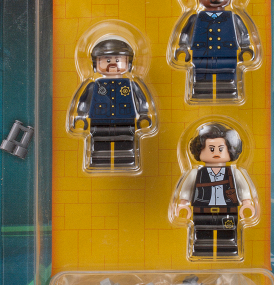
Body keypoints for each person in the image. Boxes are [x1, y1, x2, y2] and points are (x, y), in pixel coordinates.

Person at [173, 122, 257, 257]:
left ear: (230, 150)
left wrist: (246, 203)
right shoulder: (196, 173)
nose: (216, 153)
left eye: (221, 149)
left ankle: (228, 252)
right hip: (202, 211)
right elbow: (187, 190)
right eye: (211, 149)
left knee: (228, 235)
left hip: (227, 210)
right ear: (199, 150)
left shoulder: (234, 173)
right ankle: (201, 252)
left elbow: (243, 189)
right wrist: (183, 204)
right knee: (201, 235)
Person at [69, 38, 153, 171]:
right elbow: (84, 101)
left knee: (126, 144)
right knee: (99, 144)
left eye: (118, 60)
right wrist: (80, 115)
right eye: (107, 60)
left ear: (129, 64)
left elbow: (141, 100)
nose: (113, 64)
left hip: (125, 122)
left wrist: (143, 114)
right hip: (99, 122)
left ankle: (126, 163)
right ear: (95, 64)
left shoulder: (131, 85)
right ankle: (99, 163)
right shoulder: (94, 85)